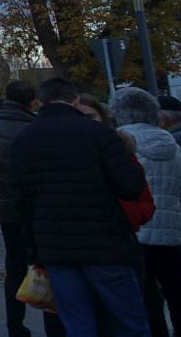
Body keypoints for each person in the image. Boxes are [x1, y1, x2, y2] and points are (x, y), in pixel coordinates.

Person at [14, 77, 149, 336]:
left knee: (78, 325)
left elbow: (21, 201)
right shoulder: (99, 133)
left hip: (55, 248)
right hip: (105, 245)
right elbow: (130, 187)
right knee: (129, 322)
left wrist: (34, 250)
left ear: (41, 102)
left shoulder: (24, 139)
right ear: (75, 100)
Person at [0, 80, 65, 337]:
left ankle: (15, 324)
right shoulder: (36, 127)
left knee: (14, 266)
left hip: (5, 205)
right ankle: (53, 324)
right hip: (37, 207)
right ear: (32, 102)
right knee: (48, 265)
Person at [111, 87, 181, 335]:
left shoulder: (117, 145)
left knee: (145, 300)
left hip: (135, 233)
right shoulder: (172, 144)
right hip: (173, 233)